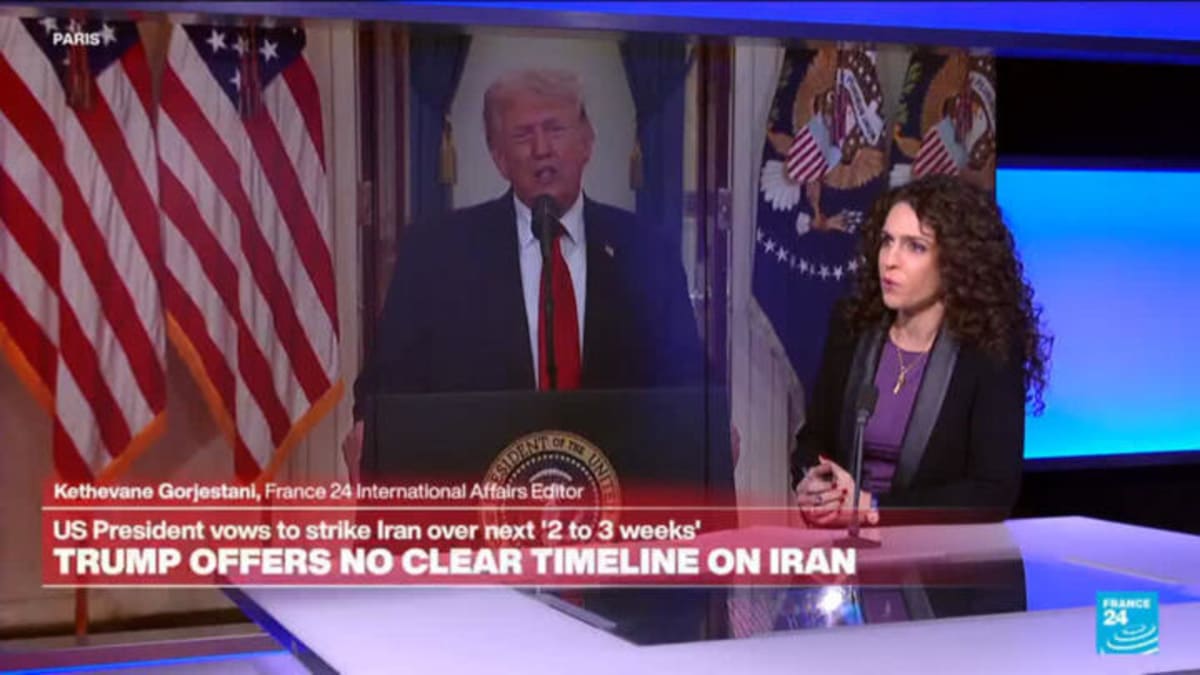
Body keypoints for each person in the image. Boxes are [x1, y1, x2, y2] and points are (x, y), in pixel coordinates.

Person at [343, 68, 704, 479]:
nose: (542, 149)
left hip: (619, 490)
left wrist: (713, 425)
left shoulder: (646, 248)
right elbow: (387, 380)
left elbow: (687, 374)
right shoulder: (437, 252)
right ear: (499, 157)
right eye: (522, 135)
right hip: (478, 493)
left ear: (587, 142)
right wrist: (369, 428)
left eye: (555, 129)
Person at [791, 174, 1051, 526]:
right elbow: (812, 440)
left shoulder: (989, 352)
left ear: (955, 260)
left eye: (915, 246)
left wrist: (872, 509)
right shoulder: (852, 327)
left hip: (941, 552)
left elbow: (992, 493)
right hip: (842, 545)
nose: (890, 260)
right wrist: (813, 482)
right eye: (887, 241)